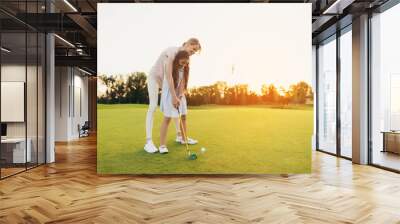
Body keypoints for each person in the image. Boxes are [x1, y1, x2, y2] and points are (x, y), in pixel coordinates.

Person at [144, 38, 201, 153]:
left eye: (195, 52)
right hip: (155, 78)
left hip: (169, 83)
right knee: (153, 106)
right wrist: (174, 96)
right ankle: (148, 142)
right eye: (193, 49)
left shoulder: (186, 60)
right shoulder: (172, 52)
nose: (193, 52)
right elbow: (169, 76)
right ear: (187, 44)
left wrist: (179, 95)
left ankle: (180, 136)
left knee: (176, 106)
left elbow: (182, 79)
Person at [158, 50, 191, 154]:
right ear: (177, 60)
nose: (184, 65)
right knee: (167, 118)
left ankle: (184, 139)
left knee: (183, 116)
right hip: (169, 93)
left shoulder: (184, 68)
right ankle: (162, 146)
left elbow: (182, 82)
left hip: (178, 94)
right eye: (182, 63)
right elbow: (170, 81)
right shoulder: (171, 66)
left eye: (186, 63)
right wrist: (174, 97)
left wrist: (180, 95)